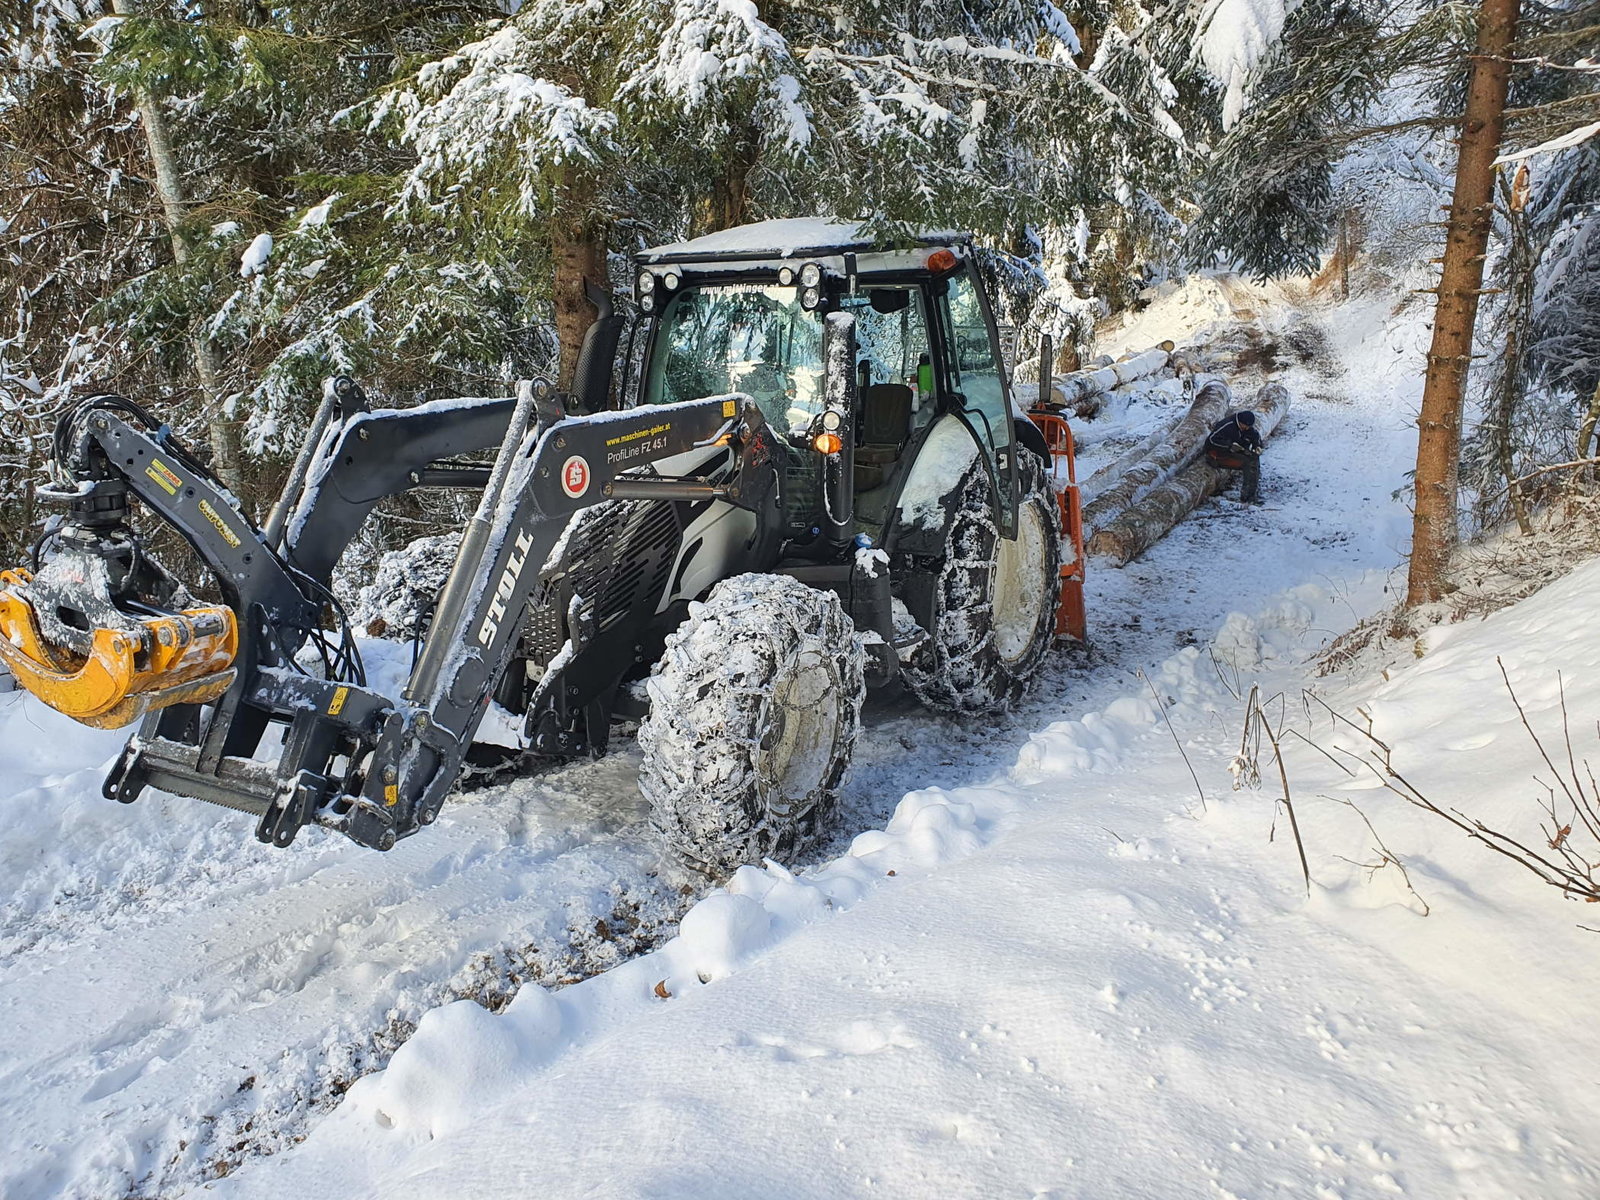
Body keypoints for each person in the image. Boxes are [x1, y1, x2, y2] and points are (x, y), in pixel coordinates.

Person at [1205, 409, 1264, 503]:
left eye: (1249, 427)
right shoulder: (1227, 425)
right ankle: (1247, 497)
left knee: (1254, 458)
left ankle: (1251, 493)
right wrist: (1229, 446)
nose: (1247, 428)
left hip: (1234, 452)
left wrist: (1257, 446)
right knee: (1249, 463)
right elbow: (1211, 441)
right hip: (1218, 455)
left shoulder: (1246, 427)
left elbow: (1255, 435)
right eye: (1245, 426)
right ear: (1240, 422)